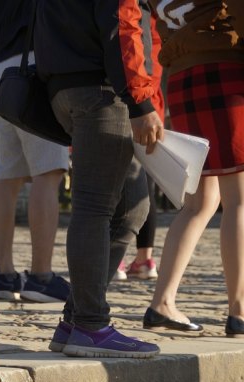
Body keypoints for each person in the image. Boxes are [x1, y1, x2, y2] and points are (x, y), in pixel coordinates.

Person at [34, 0, 163, 357]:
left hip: (73, 85)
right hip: (103, 89)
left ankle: (75, 319)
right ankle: (90, 324)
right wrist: (140, 102)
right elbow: (122, 25)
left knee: (132, 208)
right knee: (95, 207)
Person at [143, 0, 243, 337]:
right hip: (224, 70)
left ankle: (163, 302)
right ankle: (240, 309)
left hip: (182, 76)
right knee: (239, 199)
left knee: (201, 202)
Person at [0, 0, 71, 303]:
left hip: (1, 69)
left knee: (8, 174)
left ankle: (4, 275)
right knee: (48, 172)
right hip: (35, 65)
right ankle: (41, 275)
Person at [114, 10, 166, 282]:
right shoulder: (154, 12)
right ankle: (145, 258)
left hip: (131, 100)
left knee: (117, 181)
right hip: (151, 101)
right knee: (144, 181)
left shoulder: (133, 11)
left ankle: (118, 258)